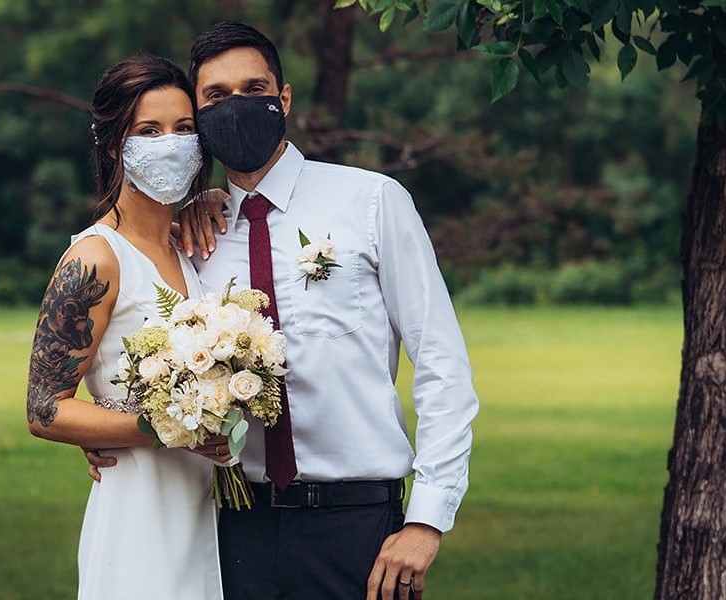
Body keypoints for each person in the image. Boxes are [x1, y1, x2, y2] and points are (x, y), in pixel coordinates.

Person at [178, 21, 479, 600]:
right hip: (234, 525)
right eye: (215, 96)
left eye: (254, 88)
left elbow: (441, 361)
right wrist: (114, 436)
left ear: (283, 99)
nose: (236, 106)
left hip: (359, 523)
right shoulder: (196, 237)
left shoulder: (371, 201)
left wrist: (427, 518)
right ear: (198, 114)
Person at [25, 54, 228, 600]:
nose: (171, 142)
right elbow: (44, 409)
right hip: (142, 512)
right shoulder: (96, 259)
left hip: (216, 513)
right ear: (116, 144)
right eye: (149, 130)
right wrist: (168, 425)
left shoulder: (194, 246)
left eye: (185, 129)